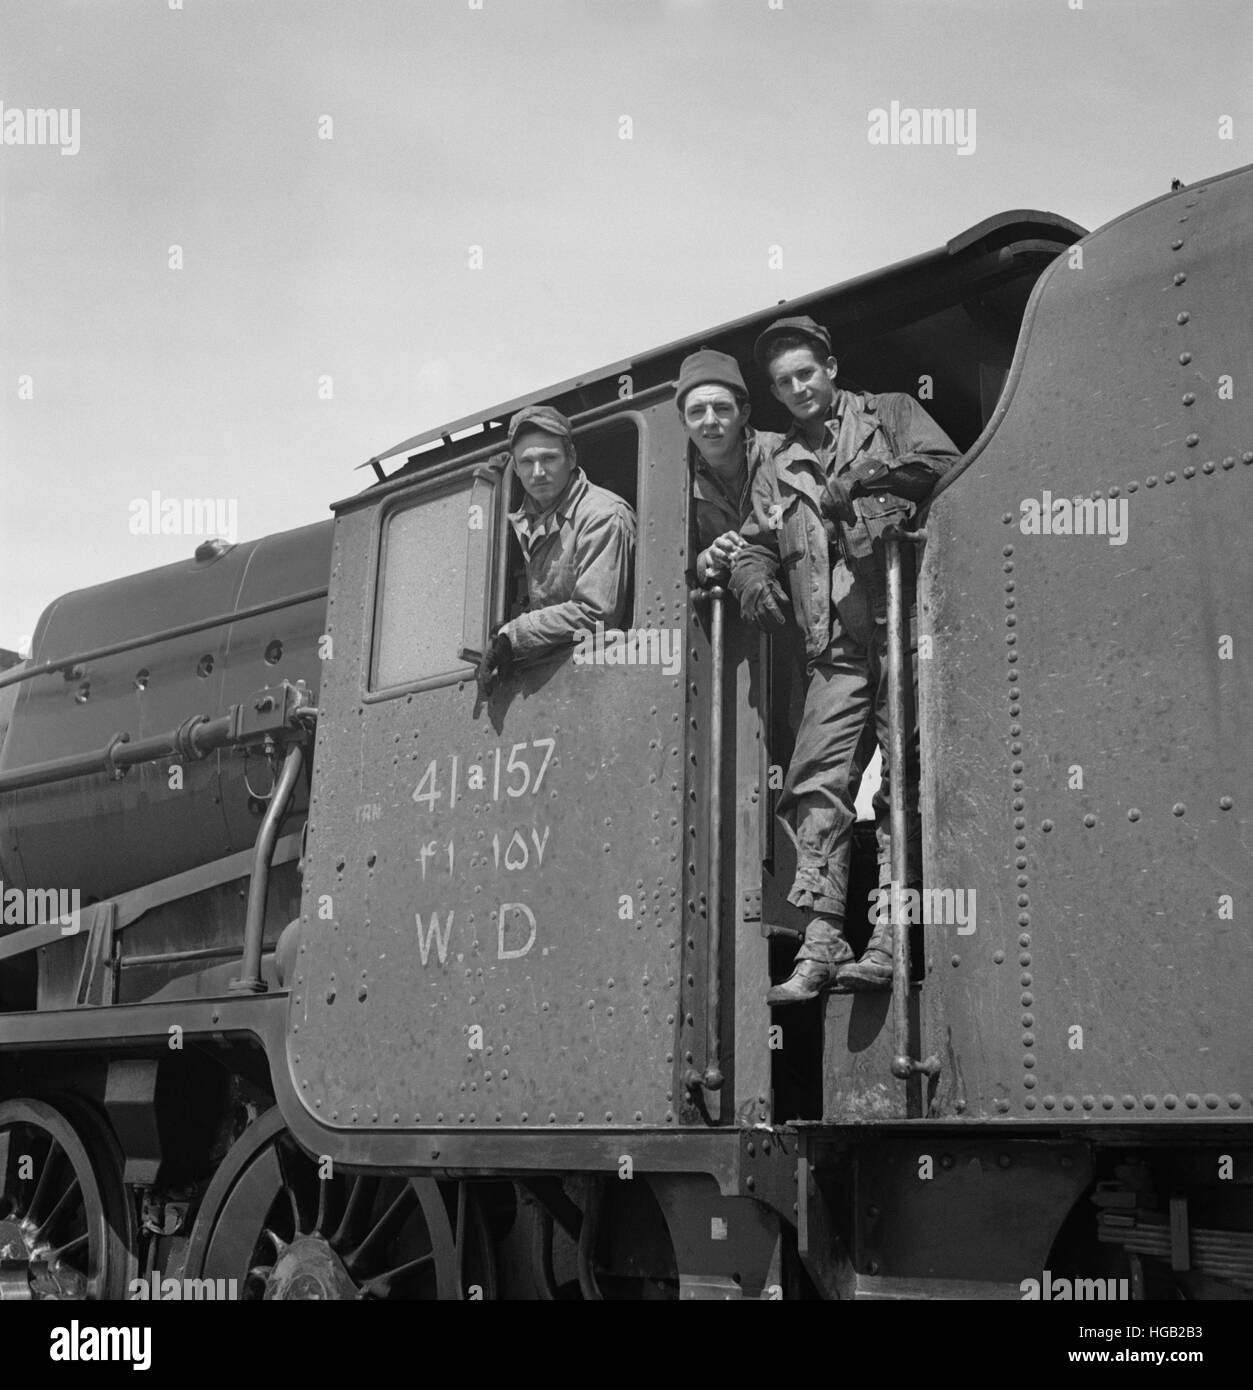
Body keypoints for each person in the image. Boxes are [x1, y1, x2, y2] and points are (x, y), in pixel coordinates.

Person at [729, 316, 961, 1001]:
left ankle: (889, 935)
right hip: (832, 648)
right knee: (815, 782)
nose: (798, 388)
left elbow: (944, 467)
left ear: (829, 367)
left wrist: (863, 479)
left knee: (901, 783)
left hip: (901, 623)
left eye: (806, 372)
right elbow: (753, 542)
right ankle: (822, 939)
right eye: (783, 382)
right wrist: (750, 579)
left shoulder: (889, 414)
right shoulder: (777, 469)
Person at [477, 404, 636, 695]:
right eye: (526, 462)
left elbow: (597, 613)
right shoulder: (526, 521)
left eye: (549, 458)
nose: (537, 473)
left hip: (606, 677)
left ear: (571, 457)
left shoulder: (601, 515)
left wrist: (515, 635)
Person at [674, 349, 780, 586]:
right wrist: (707, 559)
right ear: (683, 421)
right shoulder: (677, 480)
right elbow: (675, 562)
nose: (710, 421)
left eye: (721, 408)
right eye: (697, 411)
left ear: (743, 414)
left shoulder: (782, 454)